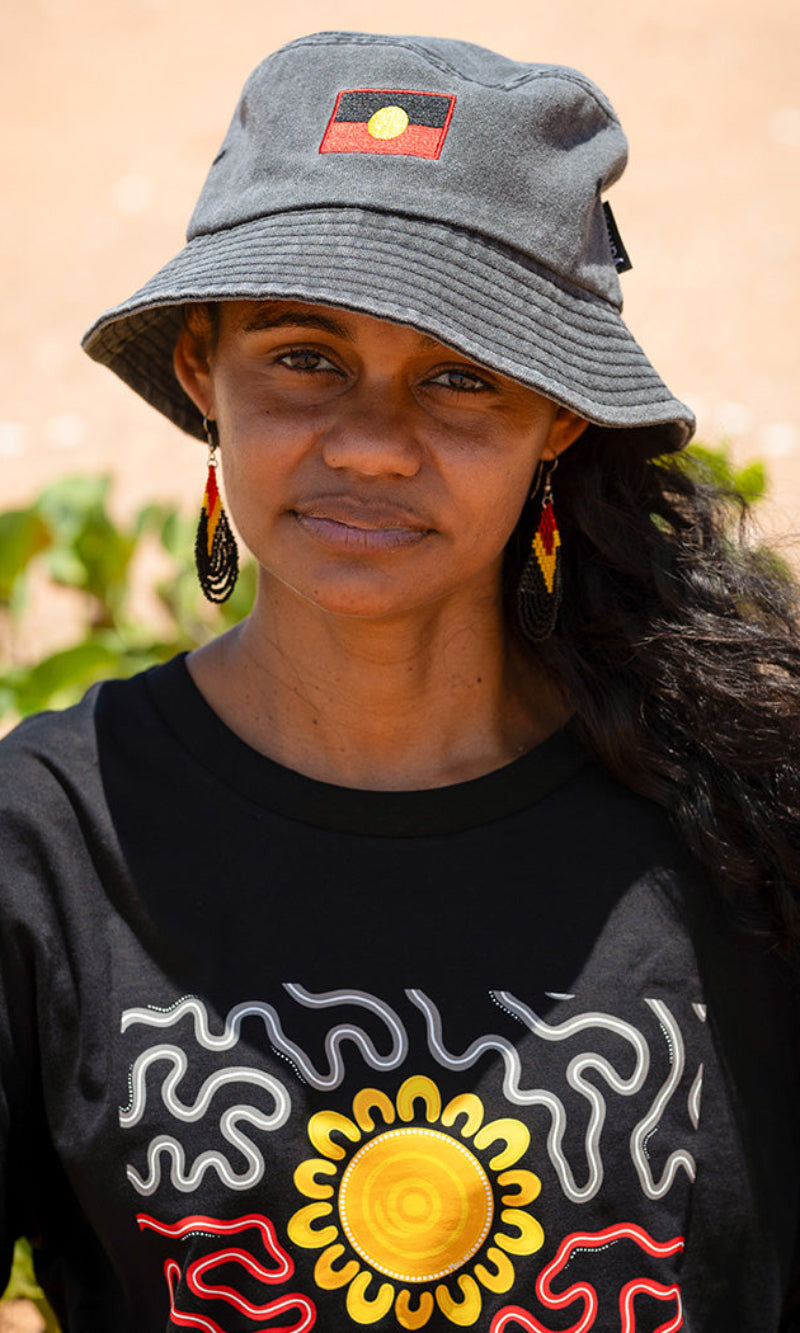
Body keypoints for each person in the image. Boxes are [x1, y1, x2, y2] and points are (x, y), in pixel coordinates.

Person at [1, 29, 799, 1332]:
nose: (371, 444)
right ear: (205, 370)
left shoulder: (751, 826)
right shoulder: (42, 842)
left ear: (561, 416)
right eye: (305, 357)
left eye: (460, 376)